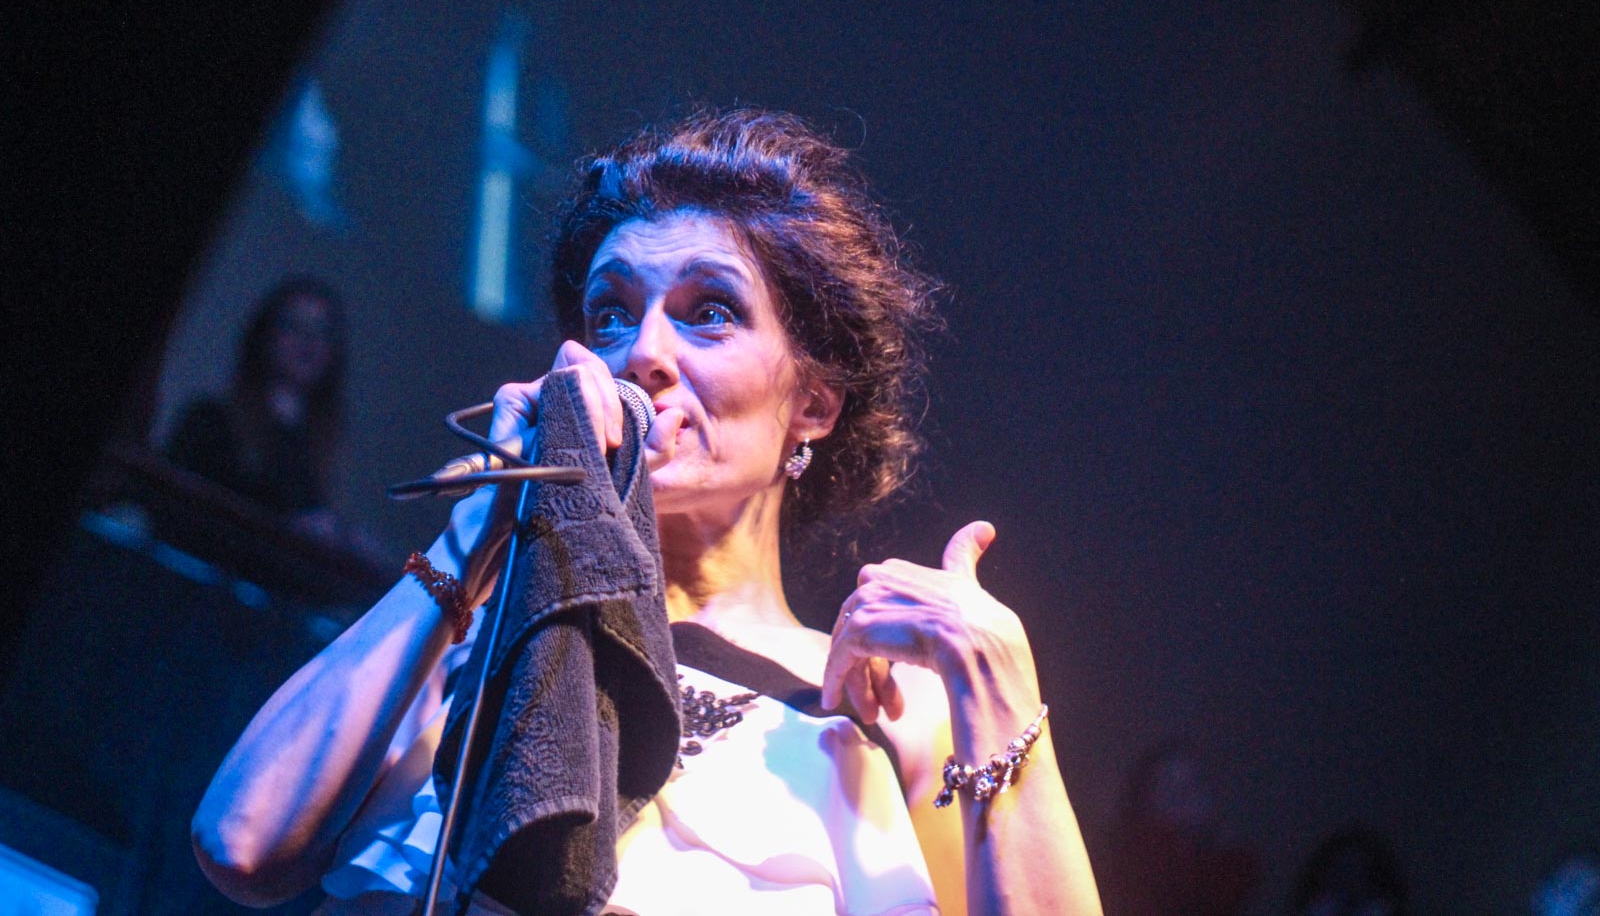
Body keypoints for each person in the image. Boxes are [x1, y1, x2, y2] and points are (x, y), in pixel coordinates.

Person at [191, 109, 1104, 915]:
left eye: (710, 311)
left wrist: (997, 679)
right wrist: (479, 530)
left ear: (815, 403)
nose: (642, 353)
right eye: (611, 315)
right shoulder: (469, 632)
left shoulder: (885, 710)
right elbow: (241, 843)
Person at [166, 277, 381, 561]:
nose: (308, 341)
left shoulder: (315, 450)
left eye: (323, 332)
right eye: (294, 325)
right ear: (266, 336)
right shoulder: (210, 421)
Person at [1097, 739, 1259, 916]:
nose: (1184, 796)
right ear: (1146, 797)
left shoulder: (1226, 864)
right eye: (1170, 786)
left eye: (1194, 784)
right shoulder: (1139, 864)